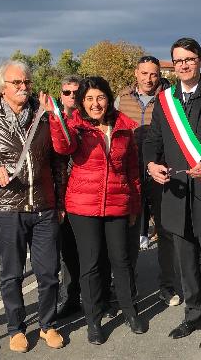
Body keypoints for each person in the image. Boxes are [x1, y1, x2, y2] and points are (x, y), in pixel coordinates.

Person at [0, 60, 67, 353]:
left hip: (44, 207)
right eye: (17, 83)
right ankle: (16, 329)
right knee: (12, 274)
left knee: (48, 272)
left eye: (27, 82)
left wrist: (59, 202)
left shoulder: (45, 118)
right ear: (2, 86)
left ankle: (48, 325)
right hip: (7, 209)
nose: (24, 87)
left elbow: (58, 162)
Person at [144, 37, 201, 350]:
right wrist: (151, 164)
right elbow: (152, 141)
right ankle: (193, 313)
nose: (183, 65)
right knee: (185, 264)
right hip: (177, 194)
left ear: (200, 60)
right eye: (178, 60)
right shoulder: (165, 100)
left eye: (189, 59)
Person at [46, 76, 147, 345]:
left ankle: (129, 310)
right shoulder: (75, 127)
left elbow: (133, 171)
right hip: (83, 206)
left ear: (109, 98)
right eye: (89, 99)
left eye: (100, 97)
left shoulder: (124, 127)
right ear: (82, 102)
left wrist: (135, 205)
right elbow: (62, 146)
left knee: (121, 260)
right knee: (90, 265)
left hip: (118, 203)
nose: (95, 103)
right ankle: (94, 319)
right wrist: (56, 121)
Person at [115, 56, 179, 307]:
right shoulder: (122, 99)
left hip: (161, 174)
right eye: (144, 73)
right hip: (130, 174)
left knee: (165, 232)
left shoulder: (170, 99)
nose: (148, 79)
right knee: (128, 232)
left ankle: (167, 285)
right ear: (136, 73)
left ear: (159, 75)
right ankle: (127, 287)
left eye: (153, 74)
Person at [56, 75, 82, 319]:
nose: (72, 96)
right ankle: (71, 298)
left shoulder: (89, 118)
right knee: (68, 252)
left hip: (85, 193)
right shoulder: (50, 119)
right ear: (61, 94)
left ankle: (99, 296)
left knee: (94, 250)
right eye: (67, 92)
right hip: (62, 194)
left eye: (76, 91)